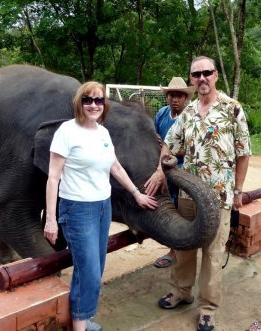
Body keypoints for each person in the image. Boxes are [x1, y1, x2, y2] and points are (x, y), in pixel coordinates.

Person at [144, 56, 251, 331]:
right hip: (189, 196)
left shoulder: (232, 109)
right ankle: (182, 291)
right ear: (192, 79)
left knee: (213, 254)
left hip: (220, 197)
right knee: (183, 247)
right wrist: (159, 171)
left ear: (215, 75)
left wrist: (238, 190)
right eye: (196, 74)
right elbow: (169, 146)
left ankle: (207, 309)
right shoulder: (188, 112)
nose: (202, 78)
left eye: (207, 73)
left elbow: (243, 154)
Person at [44, 81, 158, 331]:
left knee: (94, 267)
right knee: (90, 272)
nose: (94, 105)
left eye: (99, 100)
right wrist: (51, 219)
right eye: (88, 100)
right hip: (77, 209)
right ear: (79, 102)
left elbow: (114, 166)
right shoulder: (67, 131)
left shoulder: (102, 132)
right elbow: (53, 176)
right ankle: (81, 327)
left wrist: (137, 193)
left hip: (102, 208)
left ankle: (81, 319)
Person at [152, 77, 195, 268]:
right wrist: (158, 143)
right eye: (171, 95)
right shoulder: (162, 114)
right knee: (167, 204)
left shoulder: (191, 117)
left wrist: (172, 149)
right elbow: (155, 136)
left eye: (178, 95)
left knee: (180, 208)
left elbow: (195, 147)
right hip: (163, 169)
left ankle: (174, 251)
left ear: (186, 98)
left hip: (182, 170)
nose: (174, 99)